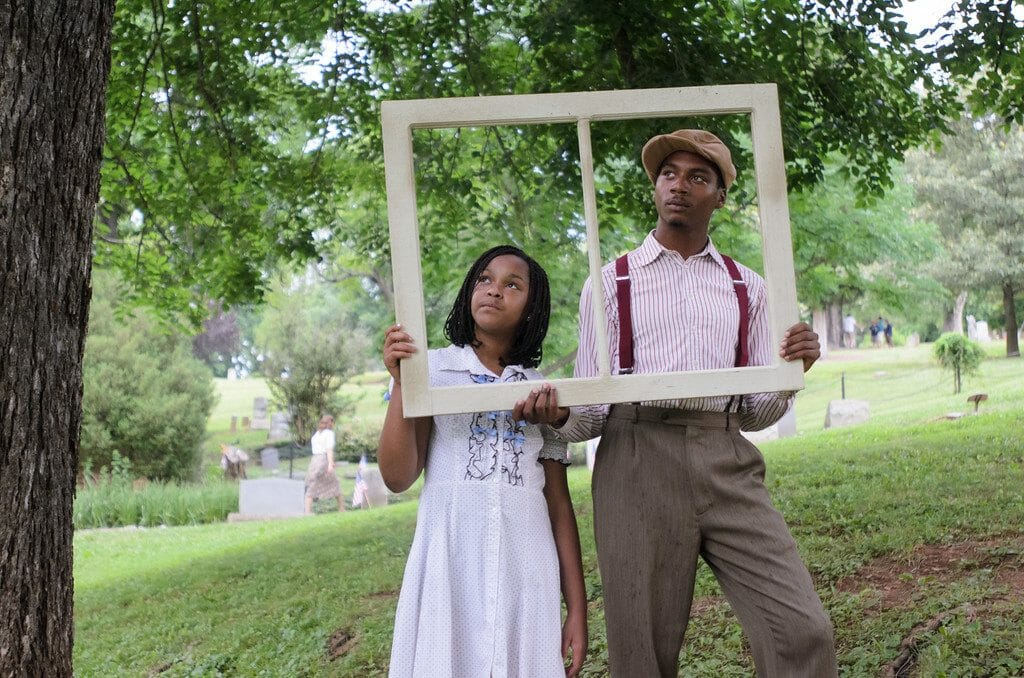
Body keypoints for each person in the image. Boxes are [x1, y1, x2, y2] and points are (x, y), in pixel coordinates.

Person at [519, 129, 837, 677]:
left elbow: (753, 411)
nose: (679, 186)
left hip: (725, 455)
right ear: (655, 188)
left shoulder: (747, 287)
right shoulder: (610, 282)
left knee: (802, 629)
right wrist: (563, 413)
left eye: (697, 177)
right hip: (636, 456)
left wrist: (791, 375)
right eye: (669, 174)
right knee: (642, 650)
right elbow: (594, 410)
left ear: (720, 196)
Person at [379, 245, 587, 677]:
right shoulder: (432, 371)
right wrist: (403, 384)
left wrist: (577, 608)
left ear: (532, 308)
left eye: (513, 285)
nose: (494, 290)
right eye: (485, 279)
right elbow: (397, 477)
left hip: (526, 565)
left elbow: (558, 504)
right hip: (451, 560)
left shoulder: (542, 392)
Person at [304, 414, 344, 514]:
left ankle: (308, 511)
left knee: (314, 484)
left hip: (314, 461)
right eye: (333, 422)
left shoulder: (316, 434)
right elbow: (329, 449)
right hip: (323, 460)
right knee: (333, 484)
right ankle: (341, 508)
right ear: (330, 423)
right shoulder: (329, 434)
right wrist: (330, 463)